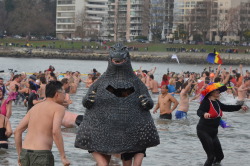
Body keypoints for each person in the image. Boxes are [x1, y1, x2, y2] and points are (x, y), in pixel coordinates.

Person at [14, 81, 70, 166]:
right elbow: (55, 132)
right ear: (57, 94)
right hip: (42, 154)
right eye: (64, 92)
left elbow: (17, 131)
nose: (65, 96)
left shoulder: (34, 108)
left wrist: (19, 155)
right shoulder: (59, 108)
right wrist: (63, 156)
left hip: (25, 153)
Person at [197, 83, 248, 166]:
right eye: (216, 90)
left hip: (213, 133)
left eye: (218, 90)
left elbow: (226, 107)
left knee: (220, 156)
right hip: (203, 131)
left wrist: (240, 107)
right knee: (211, 157)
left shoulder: (217, 102)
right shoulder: (206, 102)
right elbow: (199, 111)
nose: (218, 91)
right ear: (211, 92)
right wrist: (204, 114)